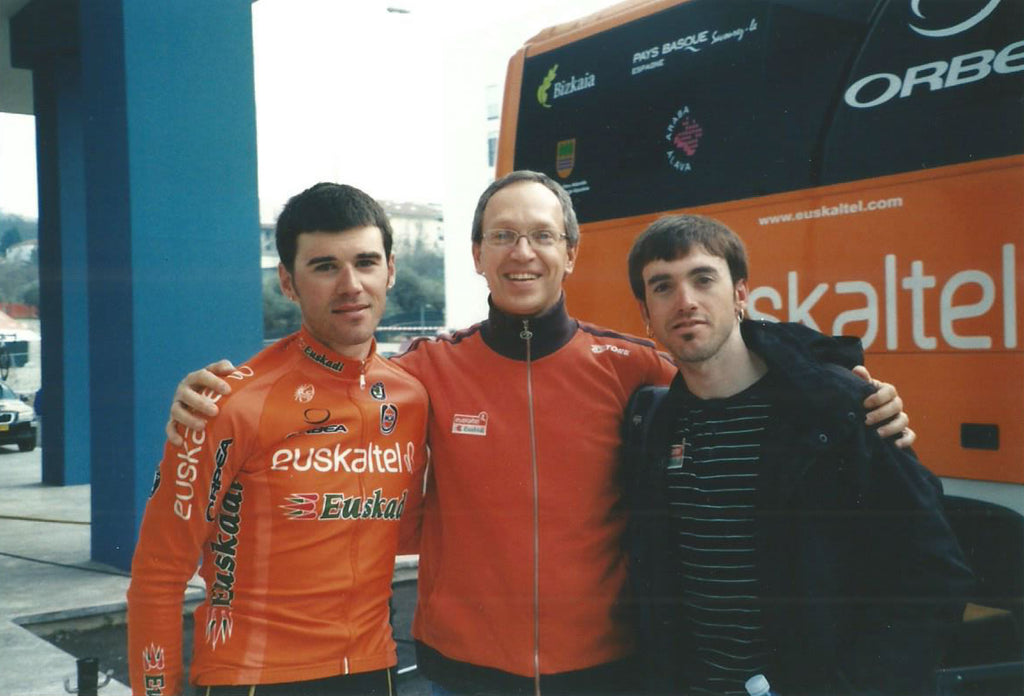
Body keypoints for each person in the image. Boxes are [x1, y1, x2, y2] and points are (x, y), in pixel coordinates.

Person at [165, 171, 911, 696]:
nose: (522, 252)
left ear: (569, 254)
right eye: (503, 236)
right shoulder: (426, 369)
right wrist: (217, 393)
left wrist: (849, 388)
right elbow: (322, 385)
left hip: (607, 673)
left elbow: (737, 370)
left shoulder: (635, 369)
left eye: (541, 236)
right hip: (462, 676)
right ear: (478, 256)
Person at [623, 214, 973, 696]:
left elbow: (934, 572)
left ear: (740, 293)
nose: (685, 301)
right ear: (646, 313)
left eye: (703, 279)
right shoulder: (657, 425)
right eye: (663, 287)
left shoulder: (838, 408)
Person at [127, 183, 429, 696]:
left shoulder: (412, 397)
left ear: (391, 270)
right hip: (252, 679)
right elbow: (158, 576)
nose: (351, 284)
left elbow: (403, 531)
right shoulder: (223, 403)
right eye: (325, 266)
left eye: (366, 262)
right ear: (288, 283)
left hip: (374, 671)